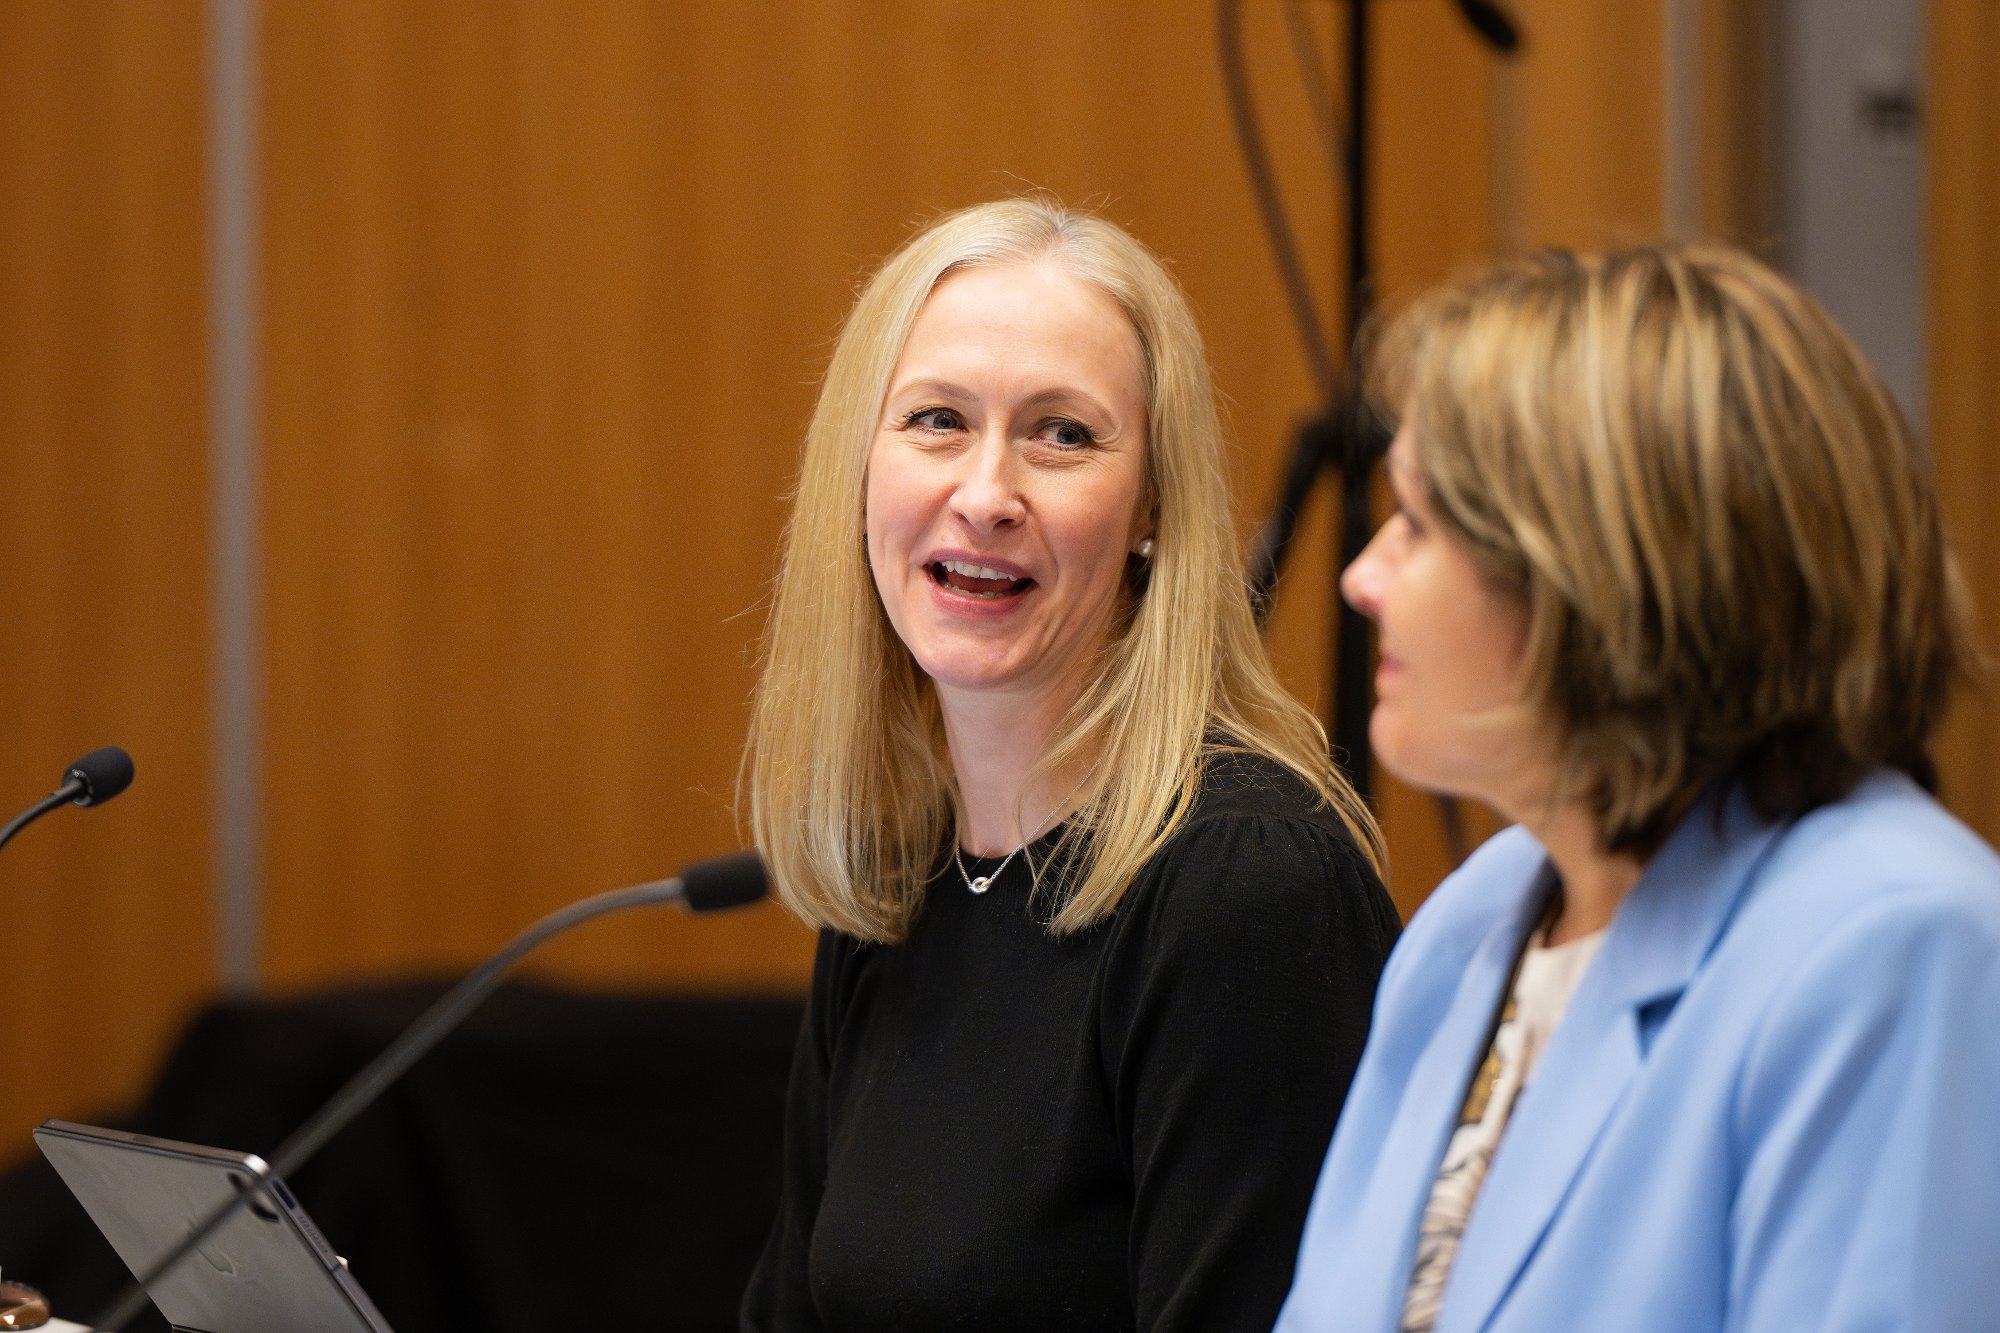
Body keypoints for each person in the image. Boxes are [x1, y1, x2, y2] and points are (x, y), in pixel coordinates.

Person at [1276, 244, 2000, 1332]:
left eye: (1418, 524)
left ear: (1601, 580)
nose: (1360, 577)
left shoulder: (1897, 944)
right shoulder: (1472, 921)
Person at [737, 198, 1400, 1332]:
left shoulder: (1244, 887)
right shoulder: (897, 877)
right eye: (936, 419)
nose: (987, 493)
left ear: (1149, 507)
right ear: (859, 473)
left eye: (1062, 435)